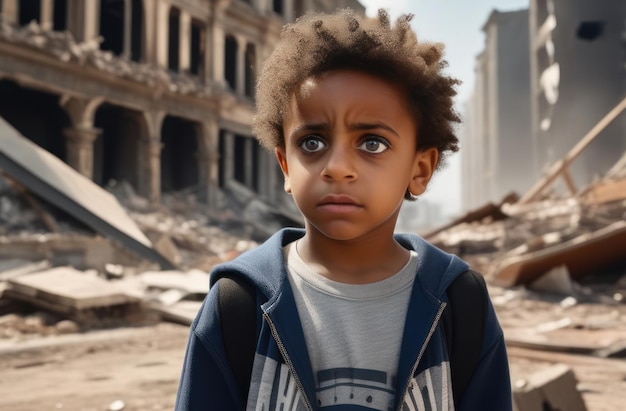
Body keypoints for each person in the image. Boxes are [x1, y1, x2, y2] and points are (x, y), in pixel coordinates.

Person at [175, 8, 512, 411]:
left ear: (419, 170)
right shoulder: (237, 305)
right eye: (312, 143)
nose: (335, 166)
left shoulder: (459, 303)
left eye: (372, 143)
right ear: (286, 166)